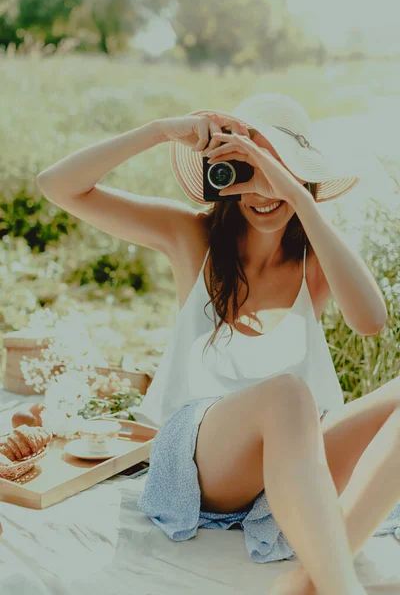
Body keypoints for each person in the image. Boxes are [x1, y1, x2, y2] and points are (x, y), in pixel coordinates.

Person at [36, 92, 400, 595]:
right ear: (224, 176)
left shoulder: (313, 258)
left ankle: (308, 581)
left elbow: (371, 321)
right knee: (288, 393)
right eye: (249, 170)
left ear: (302, 177)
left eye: (278, 170)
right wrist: (161, 130)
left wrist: (300, 200)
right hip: (203, 459)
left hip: (295, 463)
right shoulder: (192, 237)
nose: (263, 191)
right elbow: (56, 186)